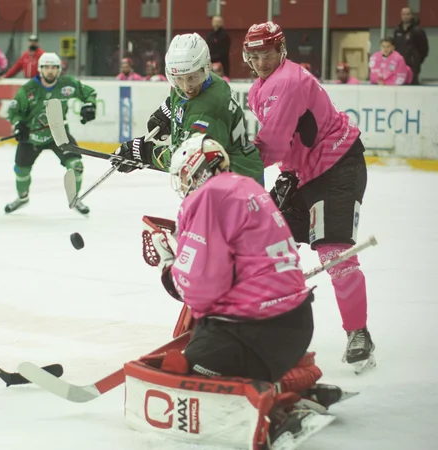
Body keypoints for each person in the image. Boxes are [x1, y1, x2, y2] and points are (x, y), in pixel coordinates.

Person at [135, 133, 336, 449]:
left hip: (255, 332)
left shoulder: (206, 198)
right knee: (209, 345)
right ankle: (304, 381)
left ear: (196, 171)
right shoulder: (247, 187)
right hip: (296, 324)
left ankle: (279, 411)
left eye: (184, 176)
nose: (183, 185)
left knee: (186, 369)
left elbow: (200, 288)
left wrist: (169, 267)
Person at [242, 21, 374, 374]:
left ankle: (358, 333)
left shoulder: (288, 80)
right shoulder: (258, 89)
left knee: (335, 254)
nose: (262, 61)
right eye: (255, 55)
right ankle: (266, 324)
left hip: (338, 164)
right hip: (304, 173)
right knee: (263, 243)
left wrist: (222, 162)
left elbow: (270, 145)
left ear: (280, 51)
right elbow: (286, 144)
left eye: (267, 52)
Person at [112, 33, 264, 185]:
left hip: (237, 184)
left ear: (205, 68)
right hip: (223, 177)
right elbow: (181, 97)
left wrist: (144, 153)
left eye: (192, 78)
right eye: (179, 78)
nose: (186, 87)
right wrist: (167, 112)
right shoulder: (206, 79)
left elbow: (189, 161)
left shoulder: (208, 111)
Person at [4, 52, 96, 215]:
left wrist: (89, 105)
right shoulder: (28, 89)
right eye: (46, 67)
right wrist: (19, 124)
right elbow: (14, 111)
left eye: (54, 67)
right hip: (32, 137)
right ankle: (22, 197)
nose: (50, 71)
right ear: (40, 69)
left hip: (59, 134)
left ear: (59, 69)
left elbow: (89, 93)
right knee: (21, 170)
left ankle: (76, 198)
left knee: (76, 165)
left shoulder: (67, 84)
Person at [393, 6, 428, 85]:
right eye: (403, 14)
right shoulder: (397, 31)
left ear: (412, 15)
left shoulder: (418, 31)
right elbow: (394, 47)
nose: (405, 16)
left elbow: (424, 49)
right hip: (399, 65)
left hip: (413, 67)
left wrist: (417, 60)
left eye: (408, 14)